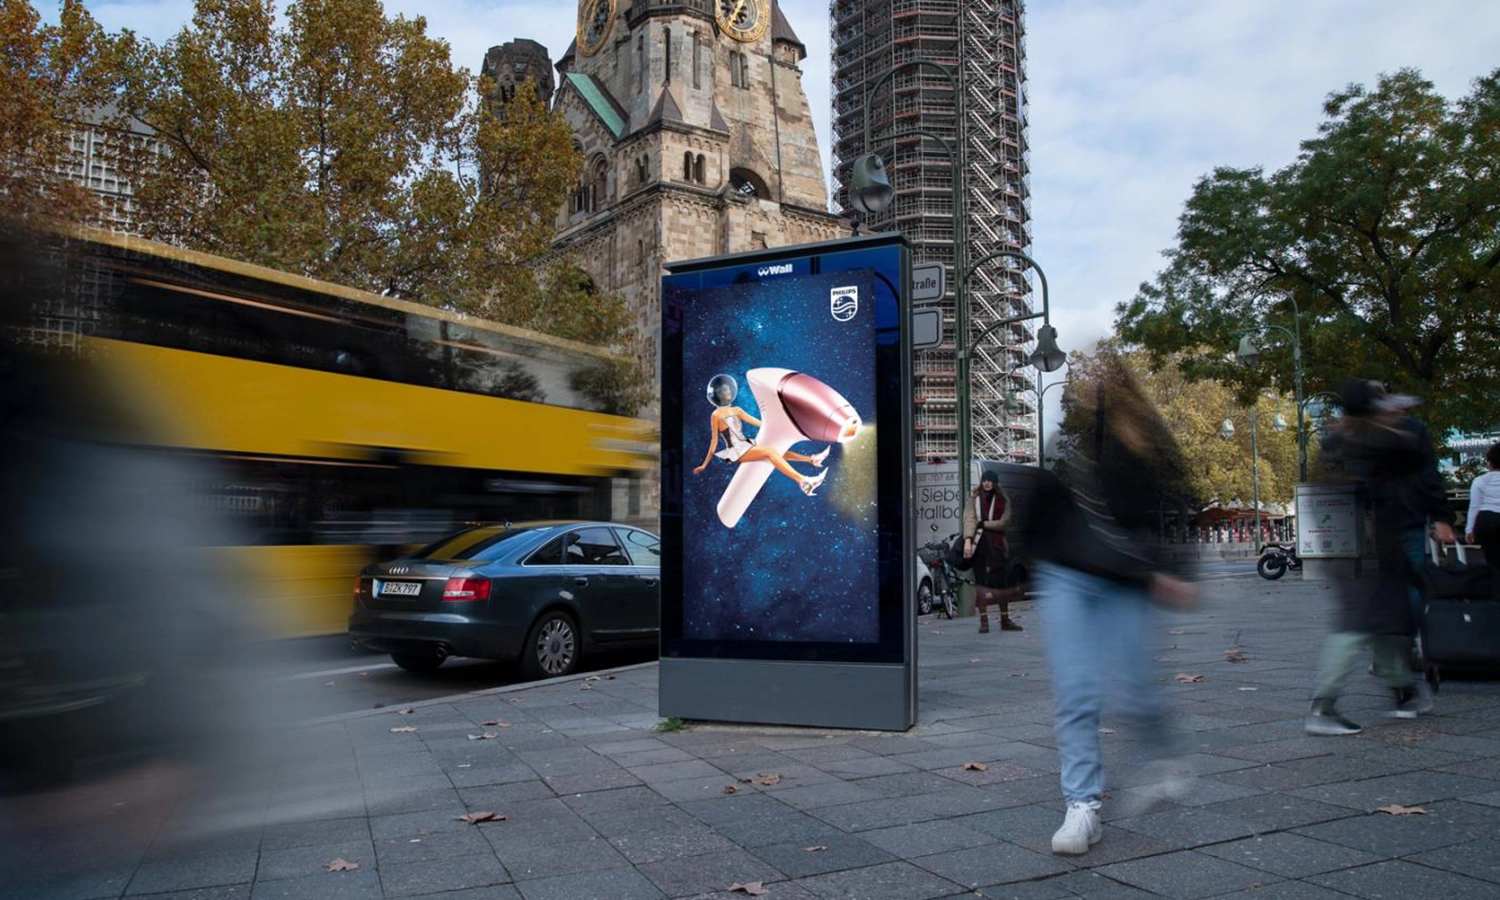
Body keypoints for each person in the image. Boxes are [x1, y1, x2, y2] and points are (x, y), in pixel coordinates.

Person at [1019, 353, 1198, 856]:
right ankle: (1082, 807)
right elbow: (1038, 498)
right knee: (1077, 691)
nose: (1087, 383)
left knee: (1137, 692)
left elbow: (1172, 500)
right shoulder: (1065, 440)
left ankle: (1167, 753)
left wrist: (1175, 571)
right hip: (1065, 575)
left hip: (1126, 579)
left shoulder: (1142, 442)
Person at [1305, 379, 1454, 736]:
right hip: (1380, 541)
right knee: (1360, 622)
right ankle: (1323, 706)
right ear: (1374, 410)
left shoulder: (1335, 440)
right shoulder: (1385, 441)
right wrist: (1441, 515)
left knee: (1386, 616)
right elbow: (1421, 467)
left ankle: (1403, 691)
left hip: (1346, 542)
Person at [691, 373, 829, 495]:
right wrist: (704, 465)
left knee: (775, 448)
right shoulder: (716, 415)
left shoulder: (737, 410)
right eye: (724, 390)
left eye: (727, 389)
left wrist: (775, 425)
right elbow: (714, 441)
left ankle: (812, 459)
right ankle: (804, 482)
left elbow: (758, 422)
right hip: (735, 451)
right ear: (718, 394)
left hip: (745, 444)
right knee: (770, 451)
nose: (727, 392)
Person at [963, 470, 1021, 633]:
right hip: (979, 546)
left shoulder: (1004, 500)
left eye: (990, 480)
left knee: (1001, 584)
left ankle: (1004, 619)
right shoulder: (974, 499)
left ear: (995, 482)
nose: (986, 483)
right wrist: (968, 540)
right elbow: (969, 520)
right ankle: (984, 621)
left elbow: (1003, 523)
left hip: (997, 547)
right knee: (980, 583)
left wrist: (984, 524)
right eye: (984, 480)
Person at [1467, 442, 1500, 573]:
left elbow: (1474, 506)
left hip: (1487, 520)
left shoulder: (1479, 481)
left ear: (1490, 462)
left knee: (1492, 561)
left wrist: (1470, 529)